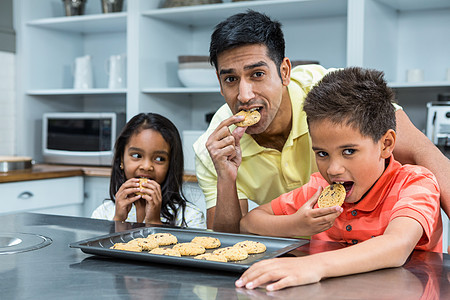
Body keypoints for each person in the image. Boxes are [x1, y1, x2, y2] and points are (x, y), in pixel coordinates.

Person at [193, 10, 450, 232]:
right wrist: (226, 178)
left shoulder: (332, 92)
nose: (245, 95)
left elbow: (423, 153)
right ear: (219, 83)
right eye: (230, 79)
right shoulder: (214, 148)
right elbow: (229, 240)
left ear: (284, 72)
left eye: (257, 74)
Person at [235, 67, 442, 291]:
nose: (333, 170)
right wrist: (296, 223)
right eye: (322, 154)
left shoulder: (415, 184)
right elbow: (249, 223)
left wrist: (313, 266)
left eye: (349, 151)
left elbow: (397, 245)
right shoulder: (319, 189)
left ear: (386, 144)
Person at [92, 113, 206, 228]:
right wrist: (118, 221)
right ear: (121, 159)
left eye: (159, 159)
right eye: (136, 155)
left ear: (170, 165)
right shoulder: (103, 214)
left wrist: (154, 222)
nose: (146, 166)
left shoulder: (190, 218)